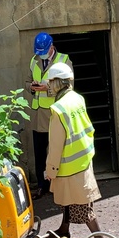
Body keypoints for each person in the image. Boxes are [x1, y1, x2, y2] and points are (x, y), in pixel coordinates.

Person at [43, 62, 102, 238]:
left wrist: (50, 170)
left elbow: (55, 145)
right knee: (69, 203)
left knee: (83, 208)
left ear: (57, 82)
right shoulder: (77, 98)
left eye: (50, 82)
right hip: (83, 159)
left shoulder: (58, 109)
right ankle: (64, 229)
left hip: (68, 167)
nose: (48, 86)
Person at [26, 32, 71, 197]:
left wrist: (48, 88)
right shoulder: (34, 60)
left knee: (56, 150)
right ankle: (42, 185)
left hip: (55, 114)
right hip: (38, 115)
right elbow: (27, 80)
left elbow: (69, 84)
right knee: (39, 152)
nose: (41, 54)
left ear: (51, 47)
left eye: (43, 51)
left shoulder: (64, 60)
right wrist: (32, 87)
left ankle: (58, 183)